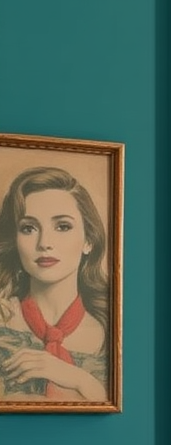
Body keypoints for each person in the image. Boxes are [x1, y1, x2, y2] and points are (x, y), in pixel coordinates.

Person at [0, 165, 111, 403]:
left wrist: (81, 380)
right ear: (14, 240)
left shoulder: (110, 332)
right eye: (28, 228)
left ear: (88, 241)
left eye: (62, 226)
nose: (45, 243)